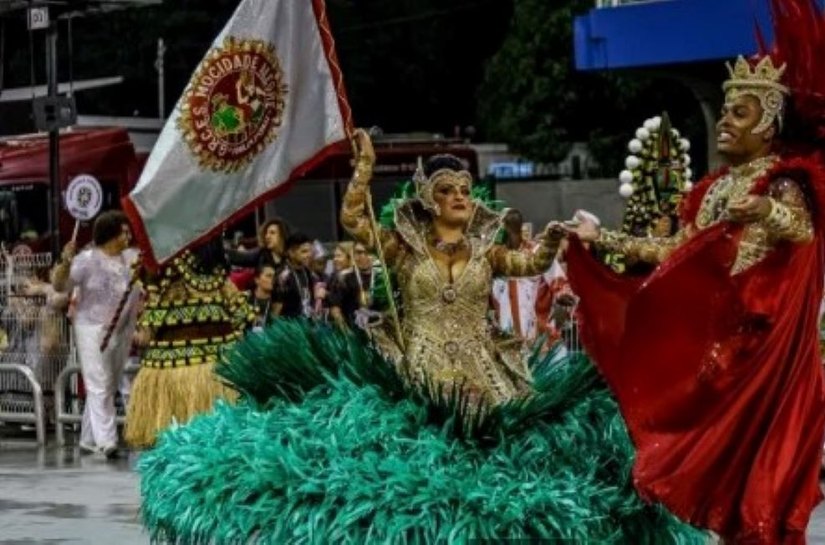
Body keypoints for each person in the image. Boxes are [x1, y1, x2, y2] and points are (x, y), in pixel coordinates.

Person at [133, 132, 708, 543]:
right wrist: (363, 167)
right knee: (420, 459)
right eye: (451, 189)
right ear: (431, 200)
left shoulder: (485, 248)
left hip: (483, 367)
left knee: (489, 453)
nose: (462, 196)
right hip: (419, 364)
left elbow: (530, 265)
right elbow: (355, 220)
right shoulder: (404, 246)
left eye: (465, 188)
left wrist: (557, 242)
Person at [563, 4, 825, 541]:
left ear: (771, 125)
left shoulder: (785, 182)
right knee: (719, 496)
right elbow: (674, 253)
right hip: (715, 365)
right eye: (725, 111)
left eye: (741, 113)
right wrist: (601, 239)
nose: (726, 122)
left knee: (763, 497)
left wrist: (767, 212)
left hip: (766, 367)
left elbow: (801, 230)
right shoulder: (711, 192)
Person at [124, 237, 256, 448]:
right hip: (219, 369)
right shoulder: (219, 279)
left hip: (175, 373)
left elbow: (148, 329)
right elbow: (242, 316)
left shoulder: (171, 272)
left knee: (174, 442)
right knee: (220, 441)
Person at [52, 210, 140, 458]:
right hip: (90, 327)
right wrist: (66, 261)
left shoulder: (132, 258)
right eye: (124, 231)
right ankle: (107, 441)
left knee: (107, 385)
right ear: (111, 234)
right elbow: (61, 286)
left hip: (121, 328)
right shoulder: (86, 259)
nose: (129, 235)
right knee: (98, 383)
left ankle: (88, 439)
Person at [327, 241, 377, 328]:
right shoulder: (344, 277)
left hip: (379, 330)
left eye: (366, 252)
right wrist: (345, 331)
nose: (362, 256)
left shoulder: (381, 276)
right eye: (357, 253)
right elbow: (335, 307)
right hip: (353, 330)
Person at [272, 232, 319, 319]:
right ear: (291, 253)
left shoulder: (307, 271)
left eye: (310, 251)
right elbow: (277, 306)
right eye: (304, 252)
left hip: (306, 323)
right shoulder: (283, 275)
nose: (309, 255)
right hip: (290, 326)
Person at [246, 263, 276, 332]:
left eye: (274, 276)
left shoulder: (276, 301)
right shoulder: (246, 298)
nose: (273, 279)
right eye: (269, 276)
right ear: (257, 280)